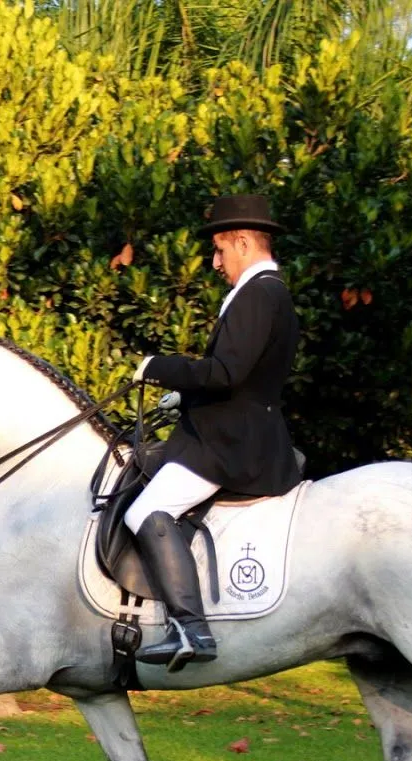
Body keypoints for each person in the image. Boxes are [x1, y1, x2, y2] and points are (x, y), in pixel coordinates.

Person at [124, 193, 303, 670]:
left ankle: (191, 628)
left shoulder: (257, 294)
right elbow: (246, 375)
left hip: (231, 443)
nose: (215, 262)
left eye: (221, 250)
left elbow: (226, 372)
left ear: (243, 242)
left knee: (146, 510)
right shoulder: (269, 294)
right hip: (239, 427)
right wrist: (185, 397)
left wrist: (156, 367)